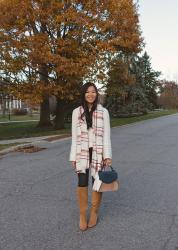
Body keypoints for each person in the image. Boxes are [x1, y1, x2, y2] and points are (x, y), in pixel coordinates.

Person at [69, 82, 112, 231]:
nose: (90, 94)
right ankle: (82, 214)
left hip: (98, 153)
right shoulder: (76, 112)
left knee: (96, 183)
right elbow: (74, 137)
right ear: (83, 94)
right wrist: (72, 157)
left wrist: (107, 156)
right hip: (81, 153)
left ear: (96, 94)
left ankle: (94, 212)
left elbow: (107, 136)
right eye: (87, 92)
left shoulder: (103, 112)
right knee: (82, 182)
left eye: (93, 91)